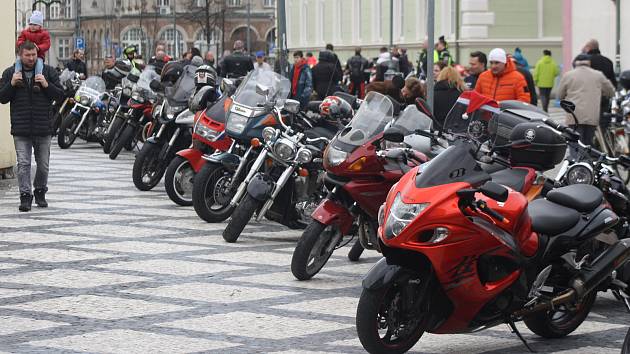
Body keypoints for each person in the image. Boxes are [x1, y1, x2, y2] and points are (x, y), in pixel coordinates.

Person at [0, 41, 64, 211]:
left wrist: (46, 84)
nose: (31, 58)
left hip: (43, 127)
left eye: (33, 55)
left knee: (43, 165)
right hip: (21, 128)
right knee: (23, 164)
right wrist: (11, 84)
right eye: (27, 55)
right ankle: (25, 196)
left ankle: (40, 191)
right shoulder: (10, 73)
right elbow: (2, 98)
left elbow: (60, 95)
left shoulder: (48, 72)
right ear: (20, 55)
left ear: (37, 54)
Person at [557, 54, 615, 150]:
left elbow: (559, 95)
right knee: (588, 143)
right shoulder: (598, 75)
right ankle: (587, 163)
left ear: (575, 63)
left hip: (573, 115)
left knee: (574, 142)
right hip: (591, 115)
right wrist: (602, 95)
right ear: (589, 63)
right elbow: (611, 92)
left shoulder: (568, 75)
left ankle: (576, 163)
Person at [15, 11, 50, 91]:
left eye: (35, 24)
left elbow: (46, 44)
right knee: (18, 61)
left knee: (39, 64)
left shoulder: (44, 34)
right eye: (31, 24)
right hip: (24, 55)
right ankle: (18, 77)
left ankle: (37, 82)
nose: (32, 26)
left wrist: (39, 47)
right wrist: (23, 45)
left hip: (39, 55)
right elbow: (19, 40)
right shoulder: (25, 32)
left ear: (40, 25)